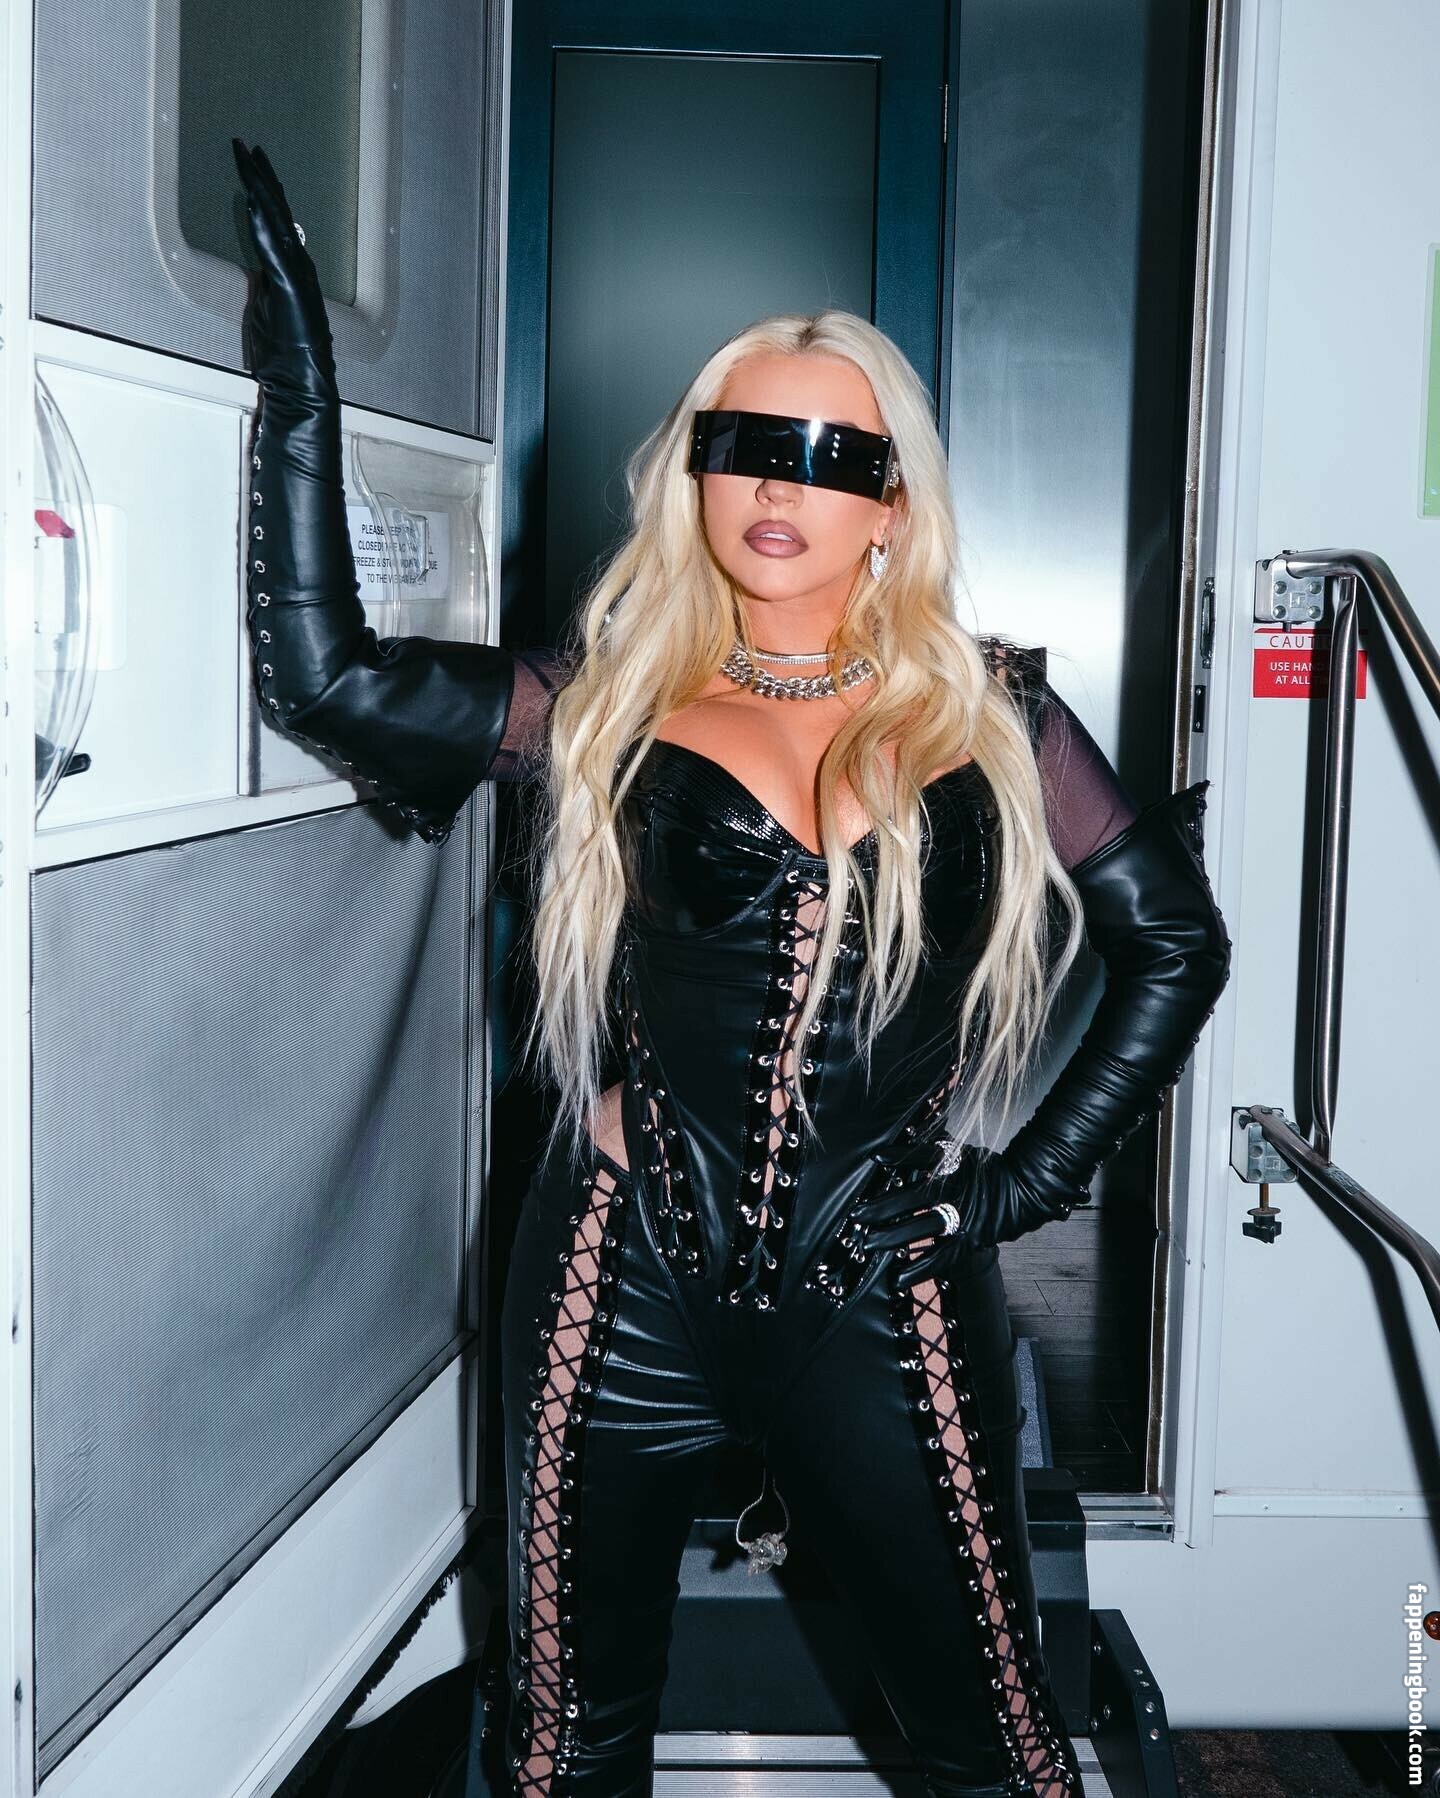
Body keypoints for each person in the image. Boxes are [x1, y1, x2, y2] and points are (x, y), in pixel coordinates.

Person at [232, 140, 1231, 1798]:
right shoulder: (611, 695)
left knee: (1001, 1754)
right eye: (744, 444)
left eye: (829, 455)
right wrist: (300, 393)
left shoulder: (994, 718)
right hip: (616, 1278)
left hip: (885, 1293)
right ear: (696, 473)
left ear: (892, 501)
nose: (780, 485)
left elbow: (1176, 941)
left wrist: (1022, 1188)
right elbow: (331, 679)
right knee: (563, 1746)